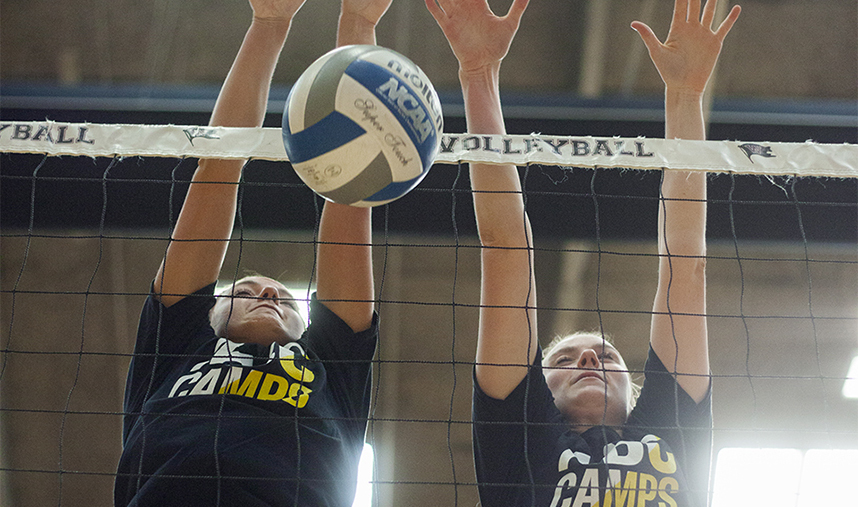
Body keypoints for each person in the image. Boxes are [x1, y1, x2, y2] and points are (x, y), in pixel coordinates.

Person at [426, 0, 741, 505]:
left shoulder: (670, 429)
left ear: (633, 389)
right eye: (565, 359)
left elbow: (687, 264)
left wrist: (686, 95)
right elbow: (506, 249)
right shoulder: (519, 436)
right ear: (539, 388)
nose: (590, 357)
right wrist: (477, 74)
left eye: (606, 356)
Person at [114, 0, 392, 505]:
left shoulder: (331, 370)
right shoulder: (174, 350)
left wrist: (358, 23)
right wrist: (269, 23)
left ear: (308, 329)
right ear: (210, 312)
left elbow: (350, 196)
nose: (266, 292)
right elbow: (217, 169)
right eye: (243, 291)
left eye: (284, 298)